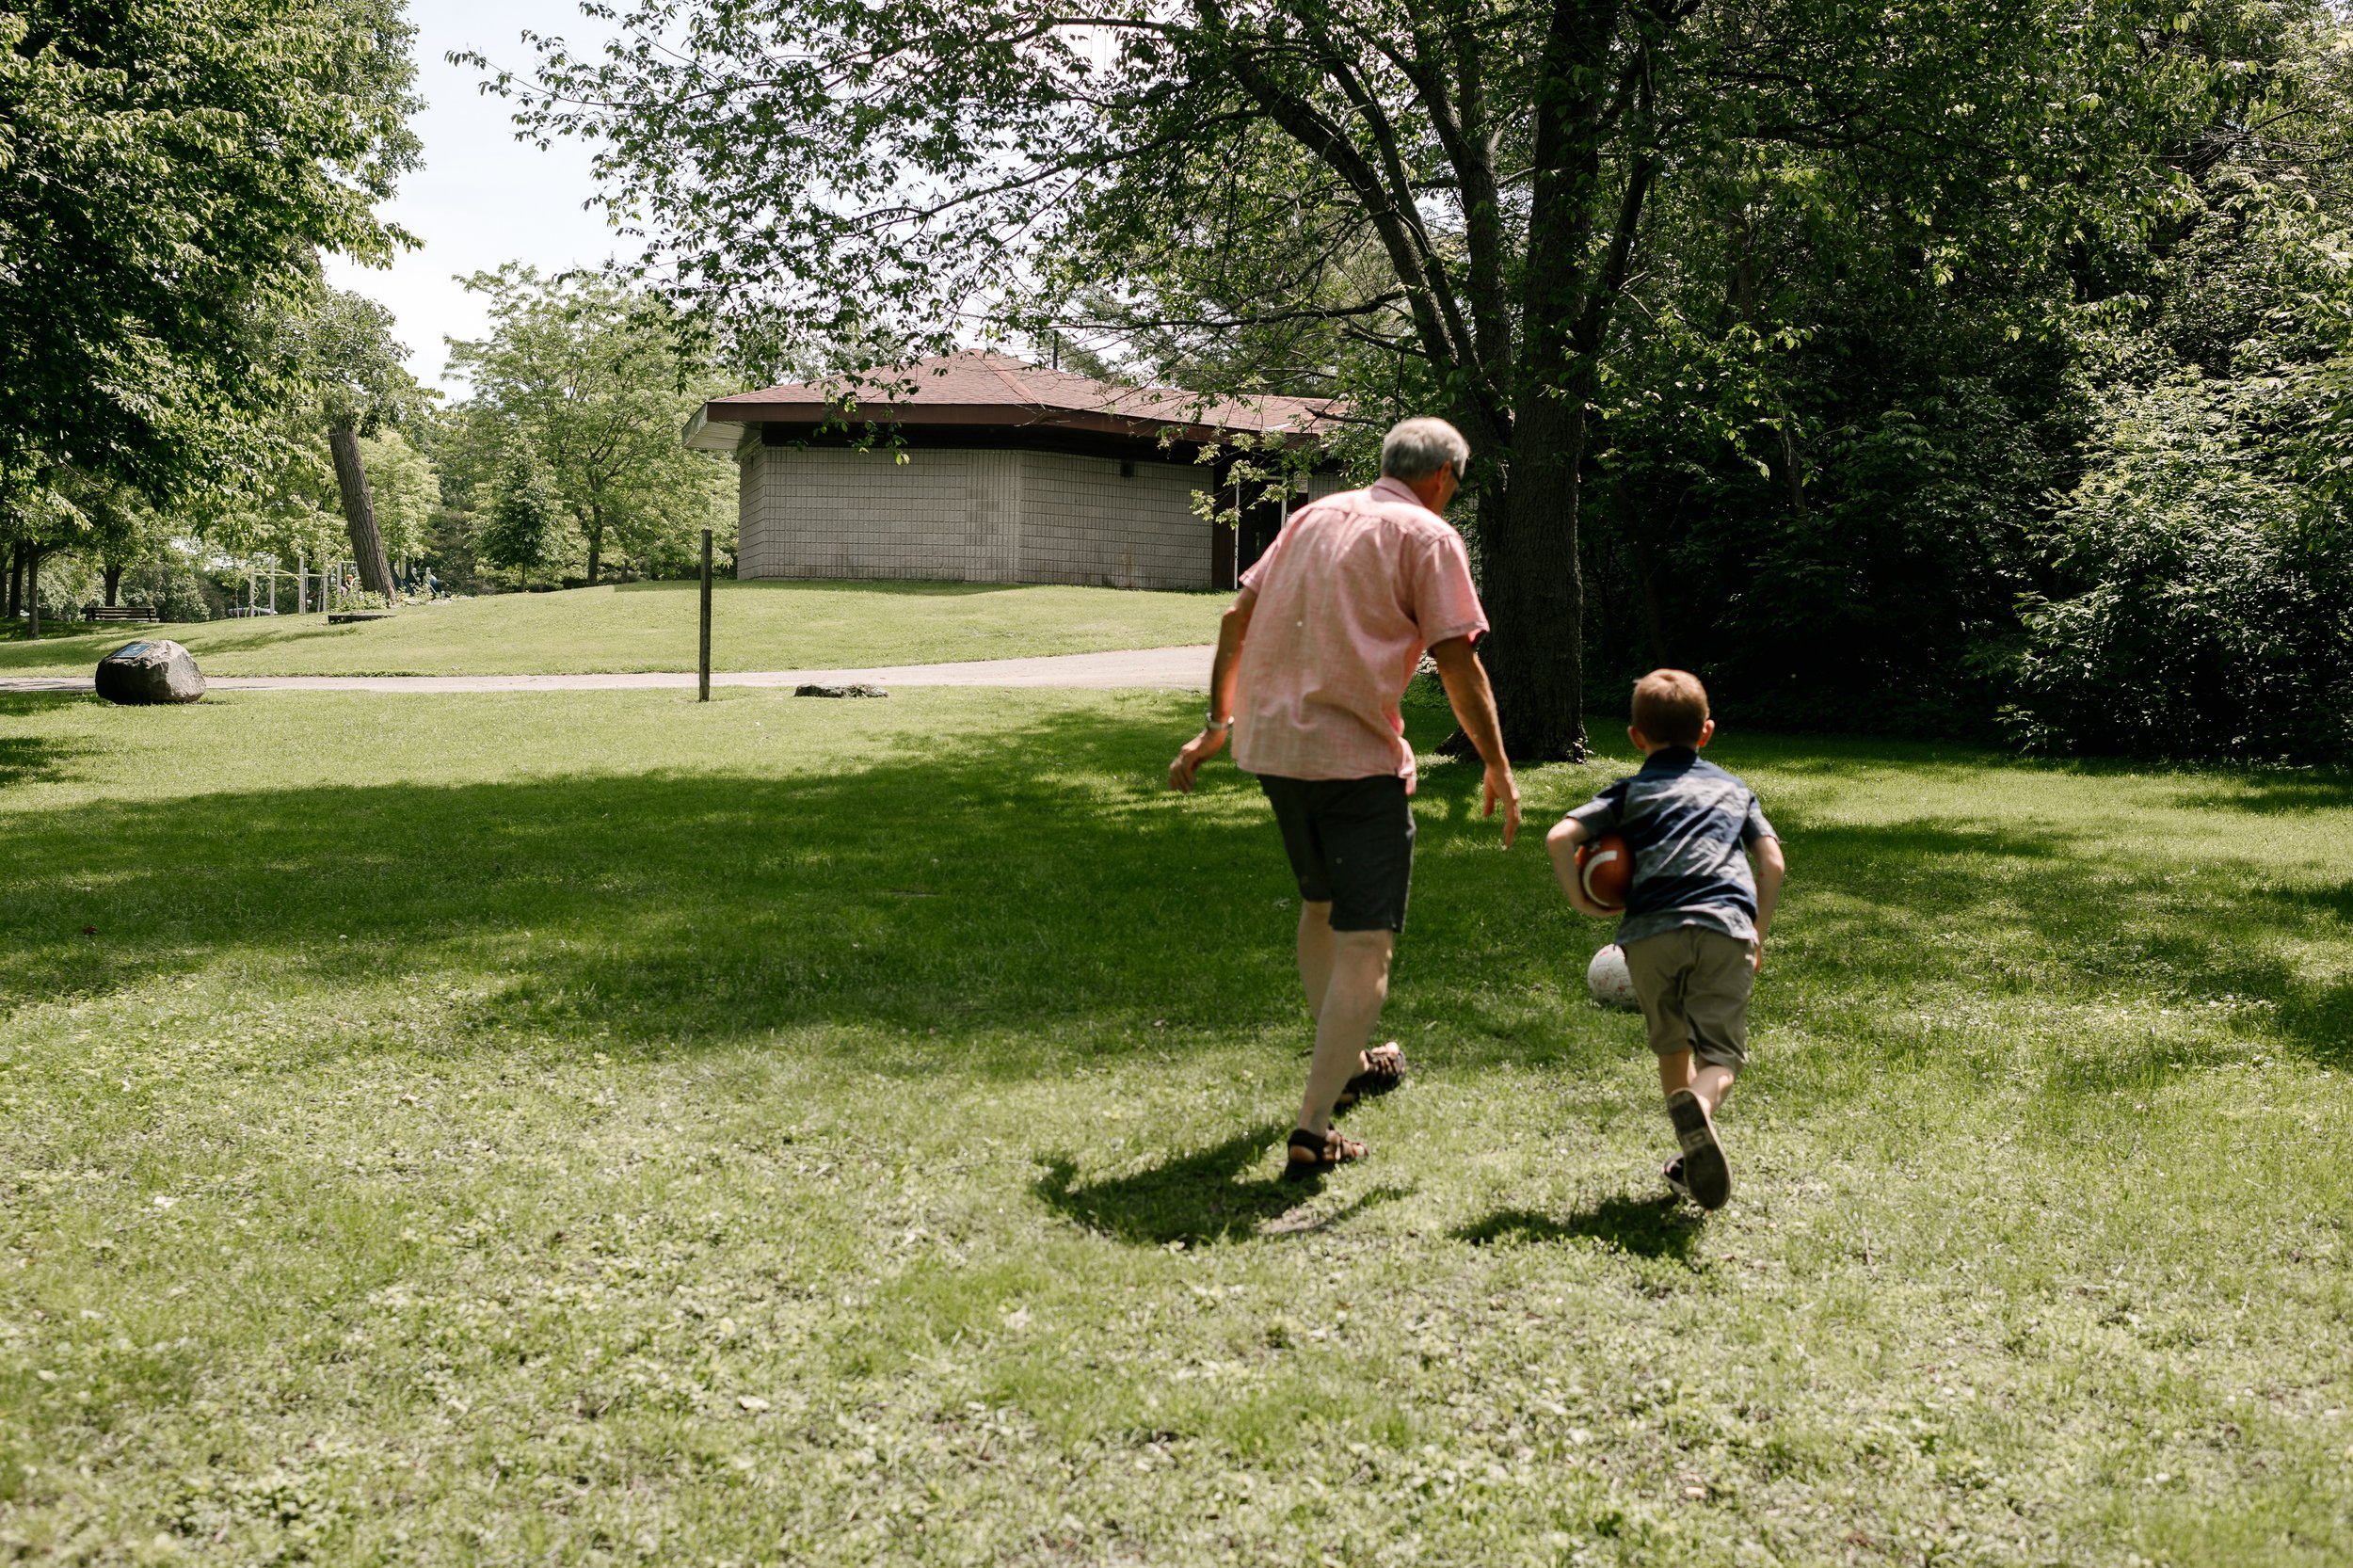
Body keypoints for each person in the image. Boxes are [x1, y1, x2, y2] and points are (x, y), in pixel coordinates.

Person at [1169, 417, 1520, 1180]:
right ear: (1443, 478)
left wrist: (1214, 727)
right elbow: (1459, 663)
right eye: (1454, 488)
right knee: (1368, 943)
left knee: (1321, 911)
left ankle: (1355, 1062)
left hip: (1275, 753)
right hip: (1356, 761)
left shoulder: (1311, 518)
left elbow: (1236, 619)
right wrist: (1497, 763)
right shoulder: (1427, 536)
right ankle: (1312, 1129)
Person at [1545, 669, 1785, 1209]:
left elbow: (1561, 835)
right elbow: (1771, 860)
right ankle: (1699, 1108)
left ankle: (1686, 1159)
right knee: (1721, 1058)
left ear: (1635, 737)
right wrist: (1757, 931)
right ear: (1706, 732)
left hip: (1650, 934)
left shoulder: (1629, 792)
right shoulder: (1733, 789)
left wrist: (1582, 900)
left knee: (1672, 1045)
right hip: (1724, 927)